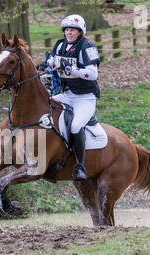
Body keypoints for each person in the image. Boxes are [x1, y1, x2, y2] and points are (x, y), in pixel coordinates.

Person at [39, 14, 101, 181]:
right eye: (66, 30)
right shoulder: (60, 45)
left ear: (80, 31)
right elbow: (54, 61)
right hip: (67, 95)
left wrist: (72, 69)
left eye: (72, 30)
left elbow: (93, 73)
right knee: (44, 109)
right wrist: (47, 64)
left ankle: (80, 166)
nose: (68, 33)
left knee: (75, 126)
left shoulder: (86, 46)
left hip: (85, 98)